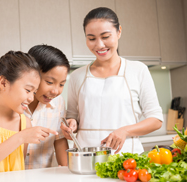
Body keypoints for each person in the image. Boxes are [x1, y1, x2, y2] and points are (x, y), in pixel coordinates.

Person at [60, 7, 163, 154]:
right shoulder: (77, 76)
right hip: (86, 158)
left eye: (105, 36)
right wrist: (70, 124)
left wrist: (125, 131)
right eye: (91, 38)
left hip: (127, 158)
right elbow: (72, 117)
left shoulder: (138, 70)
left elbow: (156, 120)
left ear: (119, 31)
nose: (99, 45)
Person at [25, 44, 70, 169]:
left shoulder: (58, 103)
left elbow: (59, 139)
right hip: (13, 177)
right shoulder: (14, 102)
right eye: (49, 82)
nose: (55, 91)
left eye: (61, 84)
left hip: (43, 178)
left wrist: (67, 171)